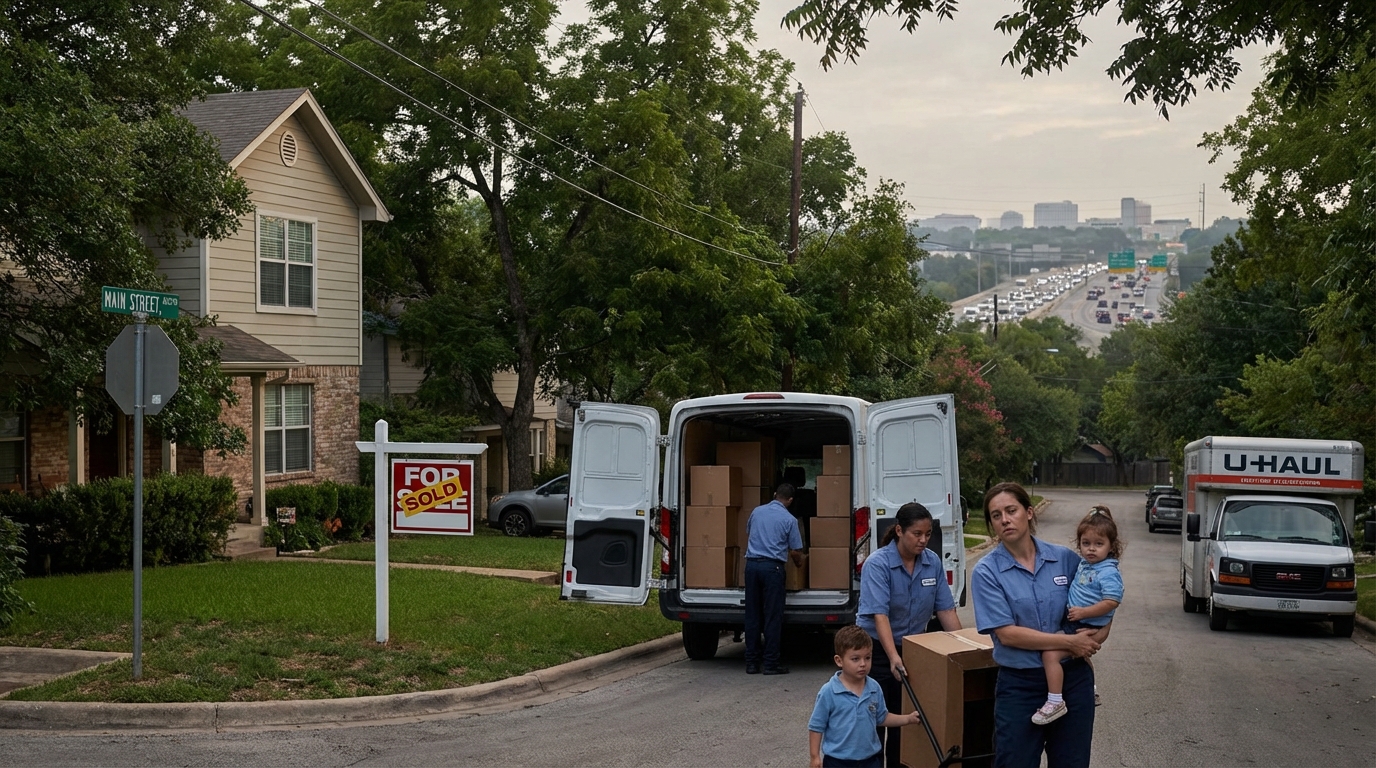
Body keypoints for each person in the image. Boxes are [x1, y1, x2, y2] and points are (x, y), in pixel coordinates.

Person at [970, 482, 1110, 768]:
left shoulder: (1065, 560)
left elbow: (1104, 600)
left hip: (1073, 680)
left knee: (1072, 762)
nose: (1005, 519)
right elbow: (1008, 635)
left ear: (1029, 512)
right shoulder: (986, 572)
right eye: (996, 516)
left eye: (1011, 510)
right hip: (1020, 686)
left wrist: (1097, 635)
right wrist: (1070, 643)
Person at [856, 502, 961, 768]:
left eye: (928, 534)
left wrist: (964, 648)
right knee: (874, 722)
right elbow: (880, 616)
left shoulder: (932, 562)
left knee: (905, 724)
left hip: (915, 650)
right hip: (878, 651)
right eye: (917, 534)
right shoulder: (877, 564)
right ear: (900, 531)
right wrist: (893, 657)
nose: (924, 540)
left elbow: (946, 610)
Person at [1034, 506, 1124, 724]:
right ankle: (1091, 689)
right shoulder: (1086, 564)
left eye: (1098, 544)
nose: (1091, 549)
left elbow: (1112, 601)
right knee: (1080, 656)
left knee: (1050, 654)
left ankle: (1055, 701)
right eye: (1086, 544)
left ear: (1112, 546)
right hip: (1079, 620)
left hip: (1084, 623)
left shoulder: (1108, 571)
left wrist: (1085, 612)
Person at [808, 625, 922, 768]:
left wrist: (908, 718)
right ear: (839, 661)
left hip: (870, 760)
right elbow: (816, 726)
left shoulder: (874, 687)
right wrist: (815, 757)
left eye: (867, 658)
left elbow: (882, 717)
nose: (863, 664)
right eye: (855, 659)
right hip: (838, 761)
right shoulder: (829, 691)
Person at [744, 482, 804, 675]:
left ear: (775, 494)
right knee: (772, 616)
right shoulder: (789, 520)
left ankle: (751, 663)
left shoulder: (756, 512)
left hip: (752, 566)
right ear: (790, 500)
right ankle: (770, 663)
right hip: (773, 569)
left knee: (752, 614)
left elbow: (749, 532)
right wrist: (800, 564)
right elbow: (795, 550)